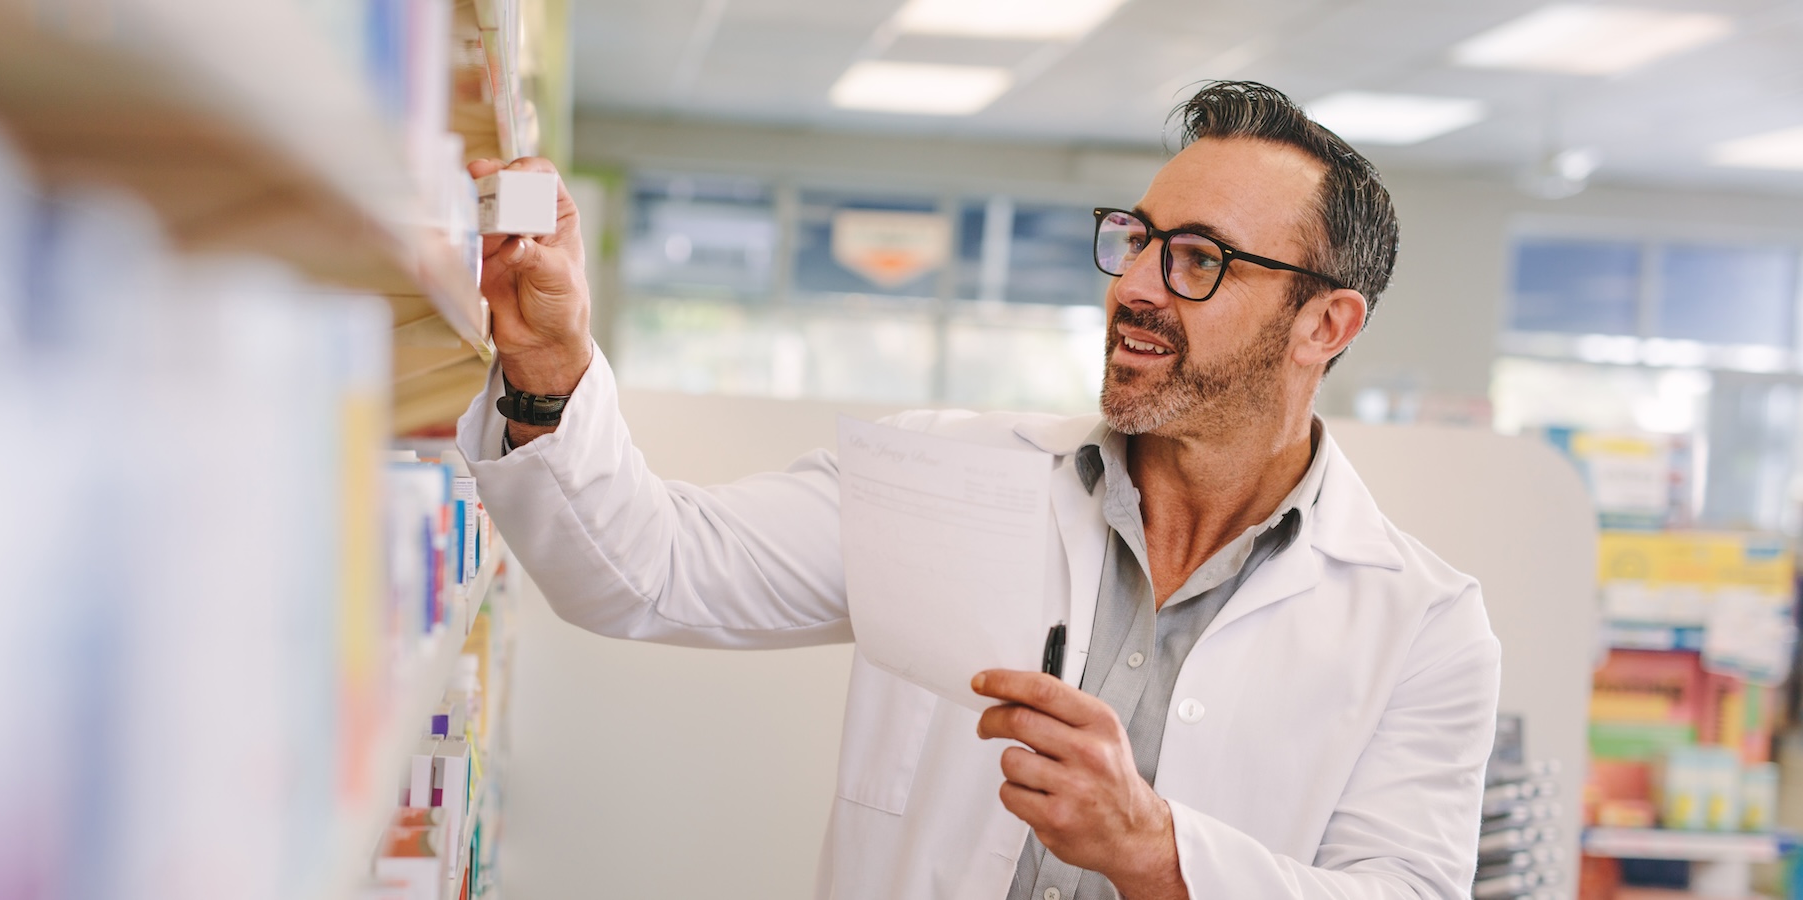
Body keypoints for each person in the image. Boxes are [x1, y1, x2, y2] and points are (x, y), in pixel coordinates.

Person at [455, 81, 1500, 900]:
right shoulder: (946, 482)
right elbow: (647, 572)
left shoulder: (1422, 626)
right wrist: (550, 362)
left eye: (1198, 261)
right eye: (1135, 240)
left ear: (1327, 326)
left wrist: (1154, 850)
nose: (1133, 286)